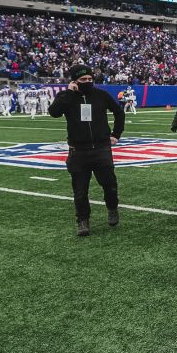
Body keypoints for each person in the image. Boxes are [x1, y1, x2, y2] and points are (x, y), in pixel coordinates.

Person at [48, 64, 126, 237]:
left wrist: (116, 134)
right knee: (80, 190)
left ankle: (112, 208)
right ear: (75, 80)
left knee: (109, 185)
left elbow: (119, 112)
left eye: (90, 79)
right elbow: (54, 112)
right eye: (83, 79)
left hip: (101, 149)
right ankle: (82, 220)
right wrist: (68, 93)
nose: (88, 82)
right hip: (78, 151)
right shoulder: (67, 97)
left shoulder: (101, 95)